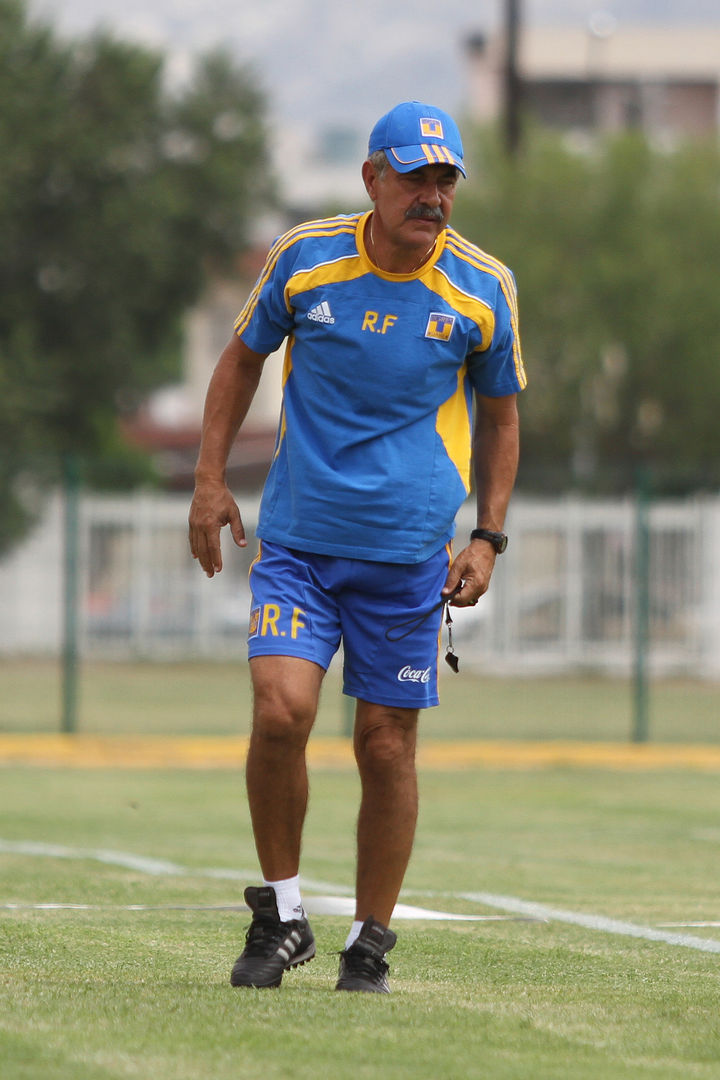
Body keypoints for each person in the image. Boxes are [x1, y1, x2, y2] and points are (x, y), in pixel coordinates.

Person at [188, 100, 526, 994]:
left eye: (445, 180)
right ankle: (282, 917)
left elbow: (502, 418)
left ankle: (369, 944)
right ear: (372, 177)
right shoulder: (305, 259)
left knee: (384, 746)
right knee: (280, 713)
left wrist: (488, 537)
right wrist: (210, 479)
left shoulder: (484, 287)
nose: (431, 196)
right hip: (299, 546)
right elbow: (241, 360)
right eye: (414, 177)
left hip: (410, 557)